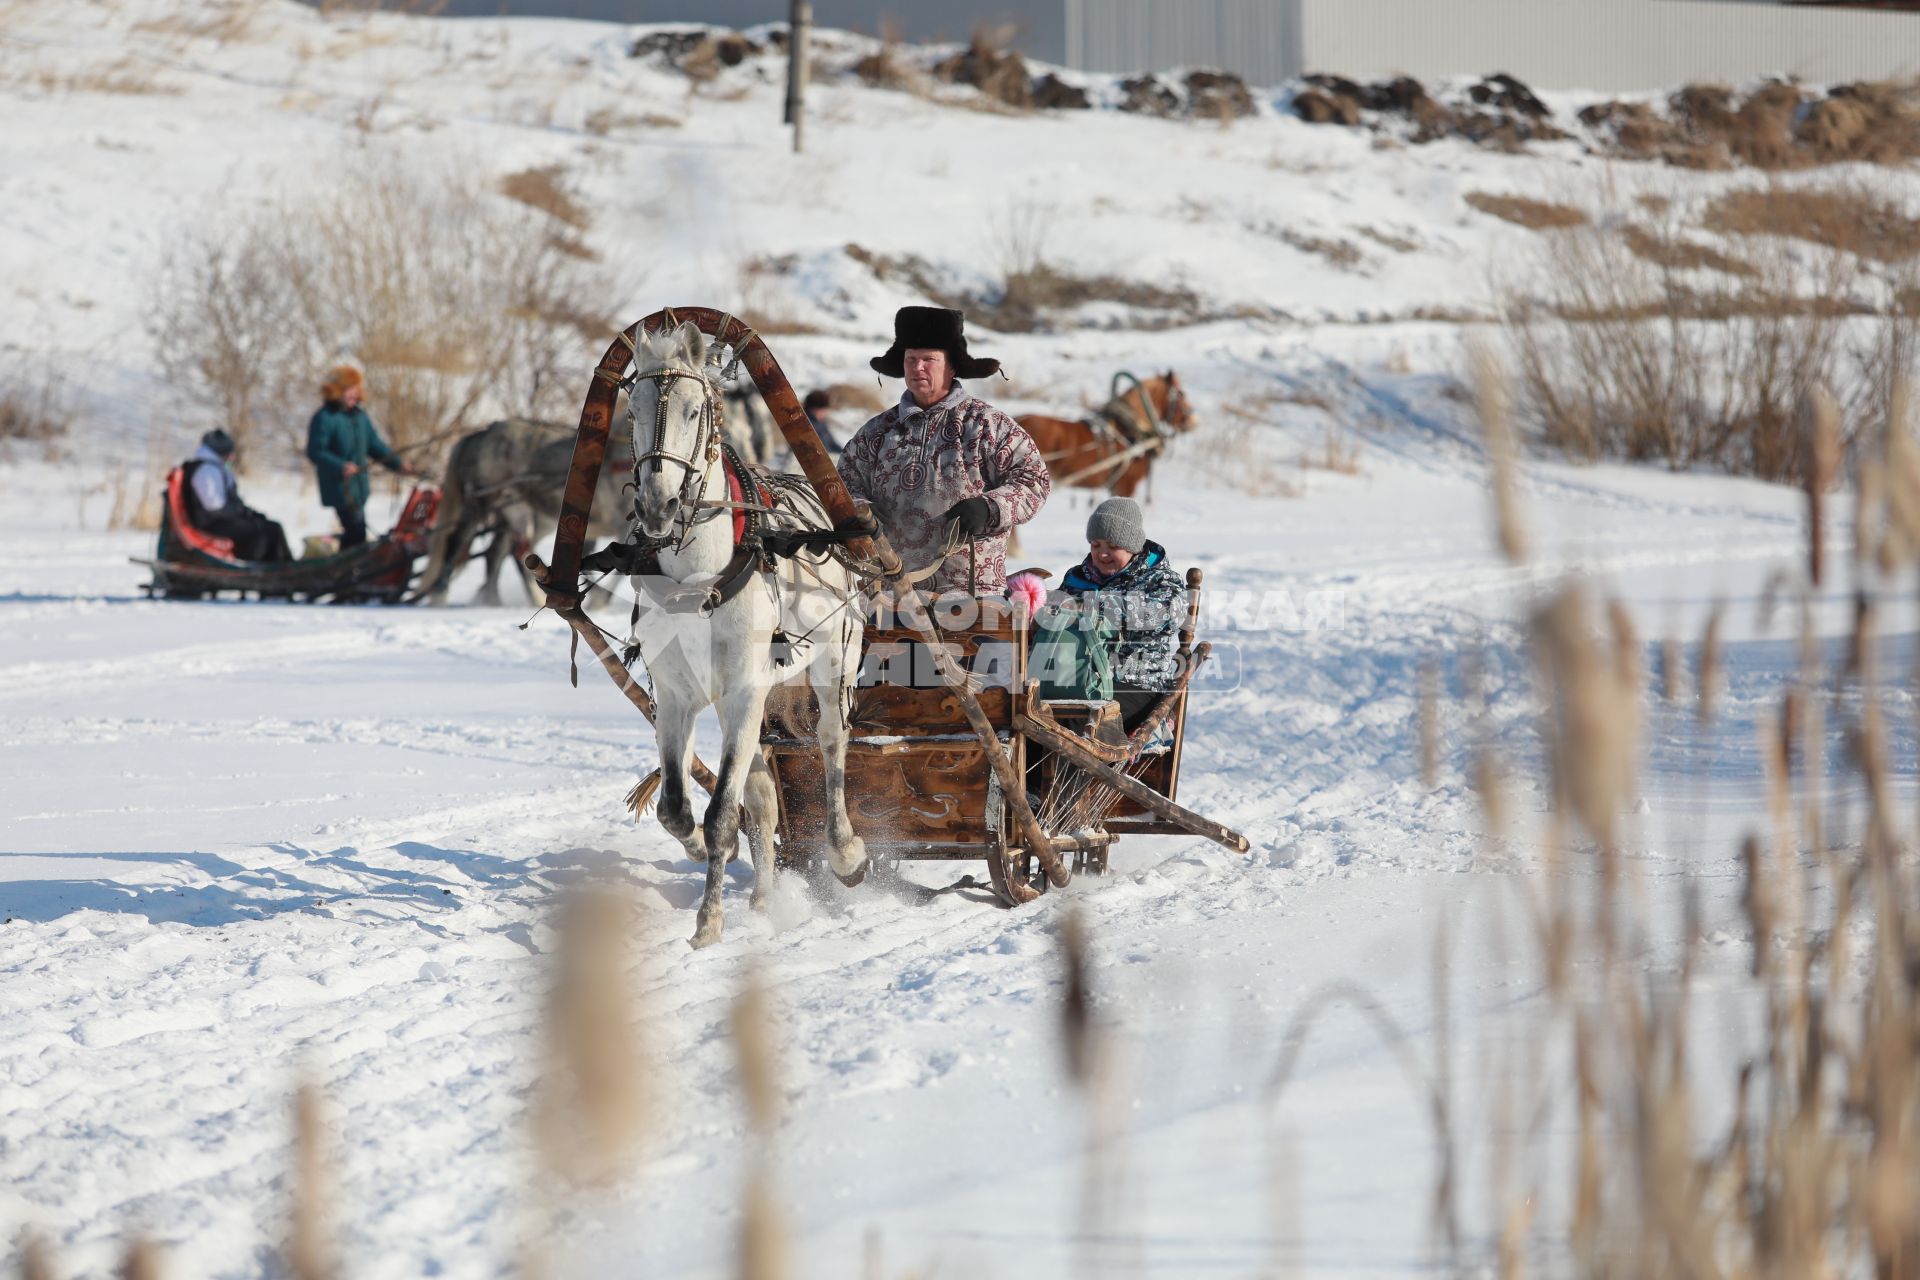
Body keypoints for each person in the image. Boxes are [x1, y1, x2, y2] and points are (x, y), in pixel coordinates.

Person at [837, 306, 1050, 596]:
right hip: (887, 595)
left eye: (929, 359)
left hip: (973, 597)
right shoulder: (877, 432)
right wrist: (861, 509)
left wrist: (989, 507)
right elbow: (841, 485)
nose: (917, 368)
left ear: (951, 366)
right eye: (911, 359)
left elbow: (1034, 481)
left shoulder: (988, 425)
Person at [1056, 497, 1186, 731]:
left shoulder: (1160, 580)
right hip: (1075, 680)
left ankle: (1076, 767)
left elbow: (1165, 614)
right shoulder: (1077, 578)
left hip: (1136, 684)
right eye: (1096, 545)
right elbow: (1053, 614)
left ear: (1132, 546)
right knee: (1026, 711)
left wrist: (1091, 608)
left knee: (1077, 721)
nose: (1102, 554)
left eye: (1112, 546)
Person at [305, 365, 413, 549]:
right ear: (336, 391)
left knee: (357, 530)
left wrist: (397, 464)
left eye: (355, 389)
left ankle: (349, 567)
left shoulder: (360, 416)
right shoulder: (325, 417)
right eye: (348, 390)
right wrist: (341, 465)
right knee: (356, 530)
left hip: (359, 487)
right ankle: (349, 571)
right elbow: (315, 451)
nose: (353, 394)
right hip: (340, 488)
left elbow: (374, 445)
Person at [181, 428, 291, 562]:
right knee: (259, 532)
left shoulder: (214, 467)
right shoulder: (207, 470)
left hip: (218, 519)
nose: (232, 457)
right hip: (211, 523)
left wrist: (247, 513)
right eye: (229, 452)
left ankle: (282, 565)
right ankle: (254, 570)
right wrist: (241, 513)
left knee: (272, 527)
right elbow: (214, 507)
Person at [803, 388, 842, 454]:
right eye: (823, 410)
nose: (825, 413)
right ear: (814, 409)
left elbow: (832, 443)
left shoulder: (821, 423)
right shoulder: (807, 426)